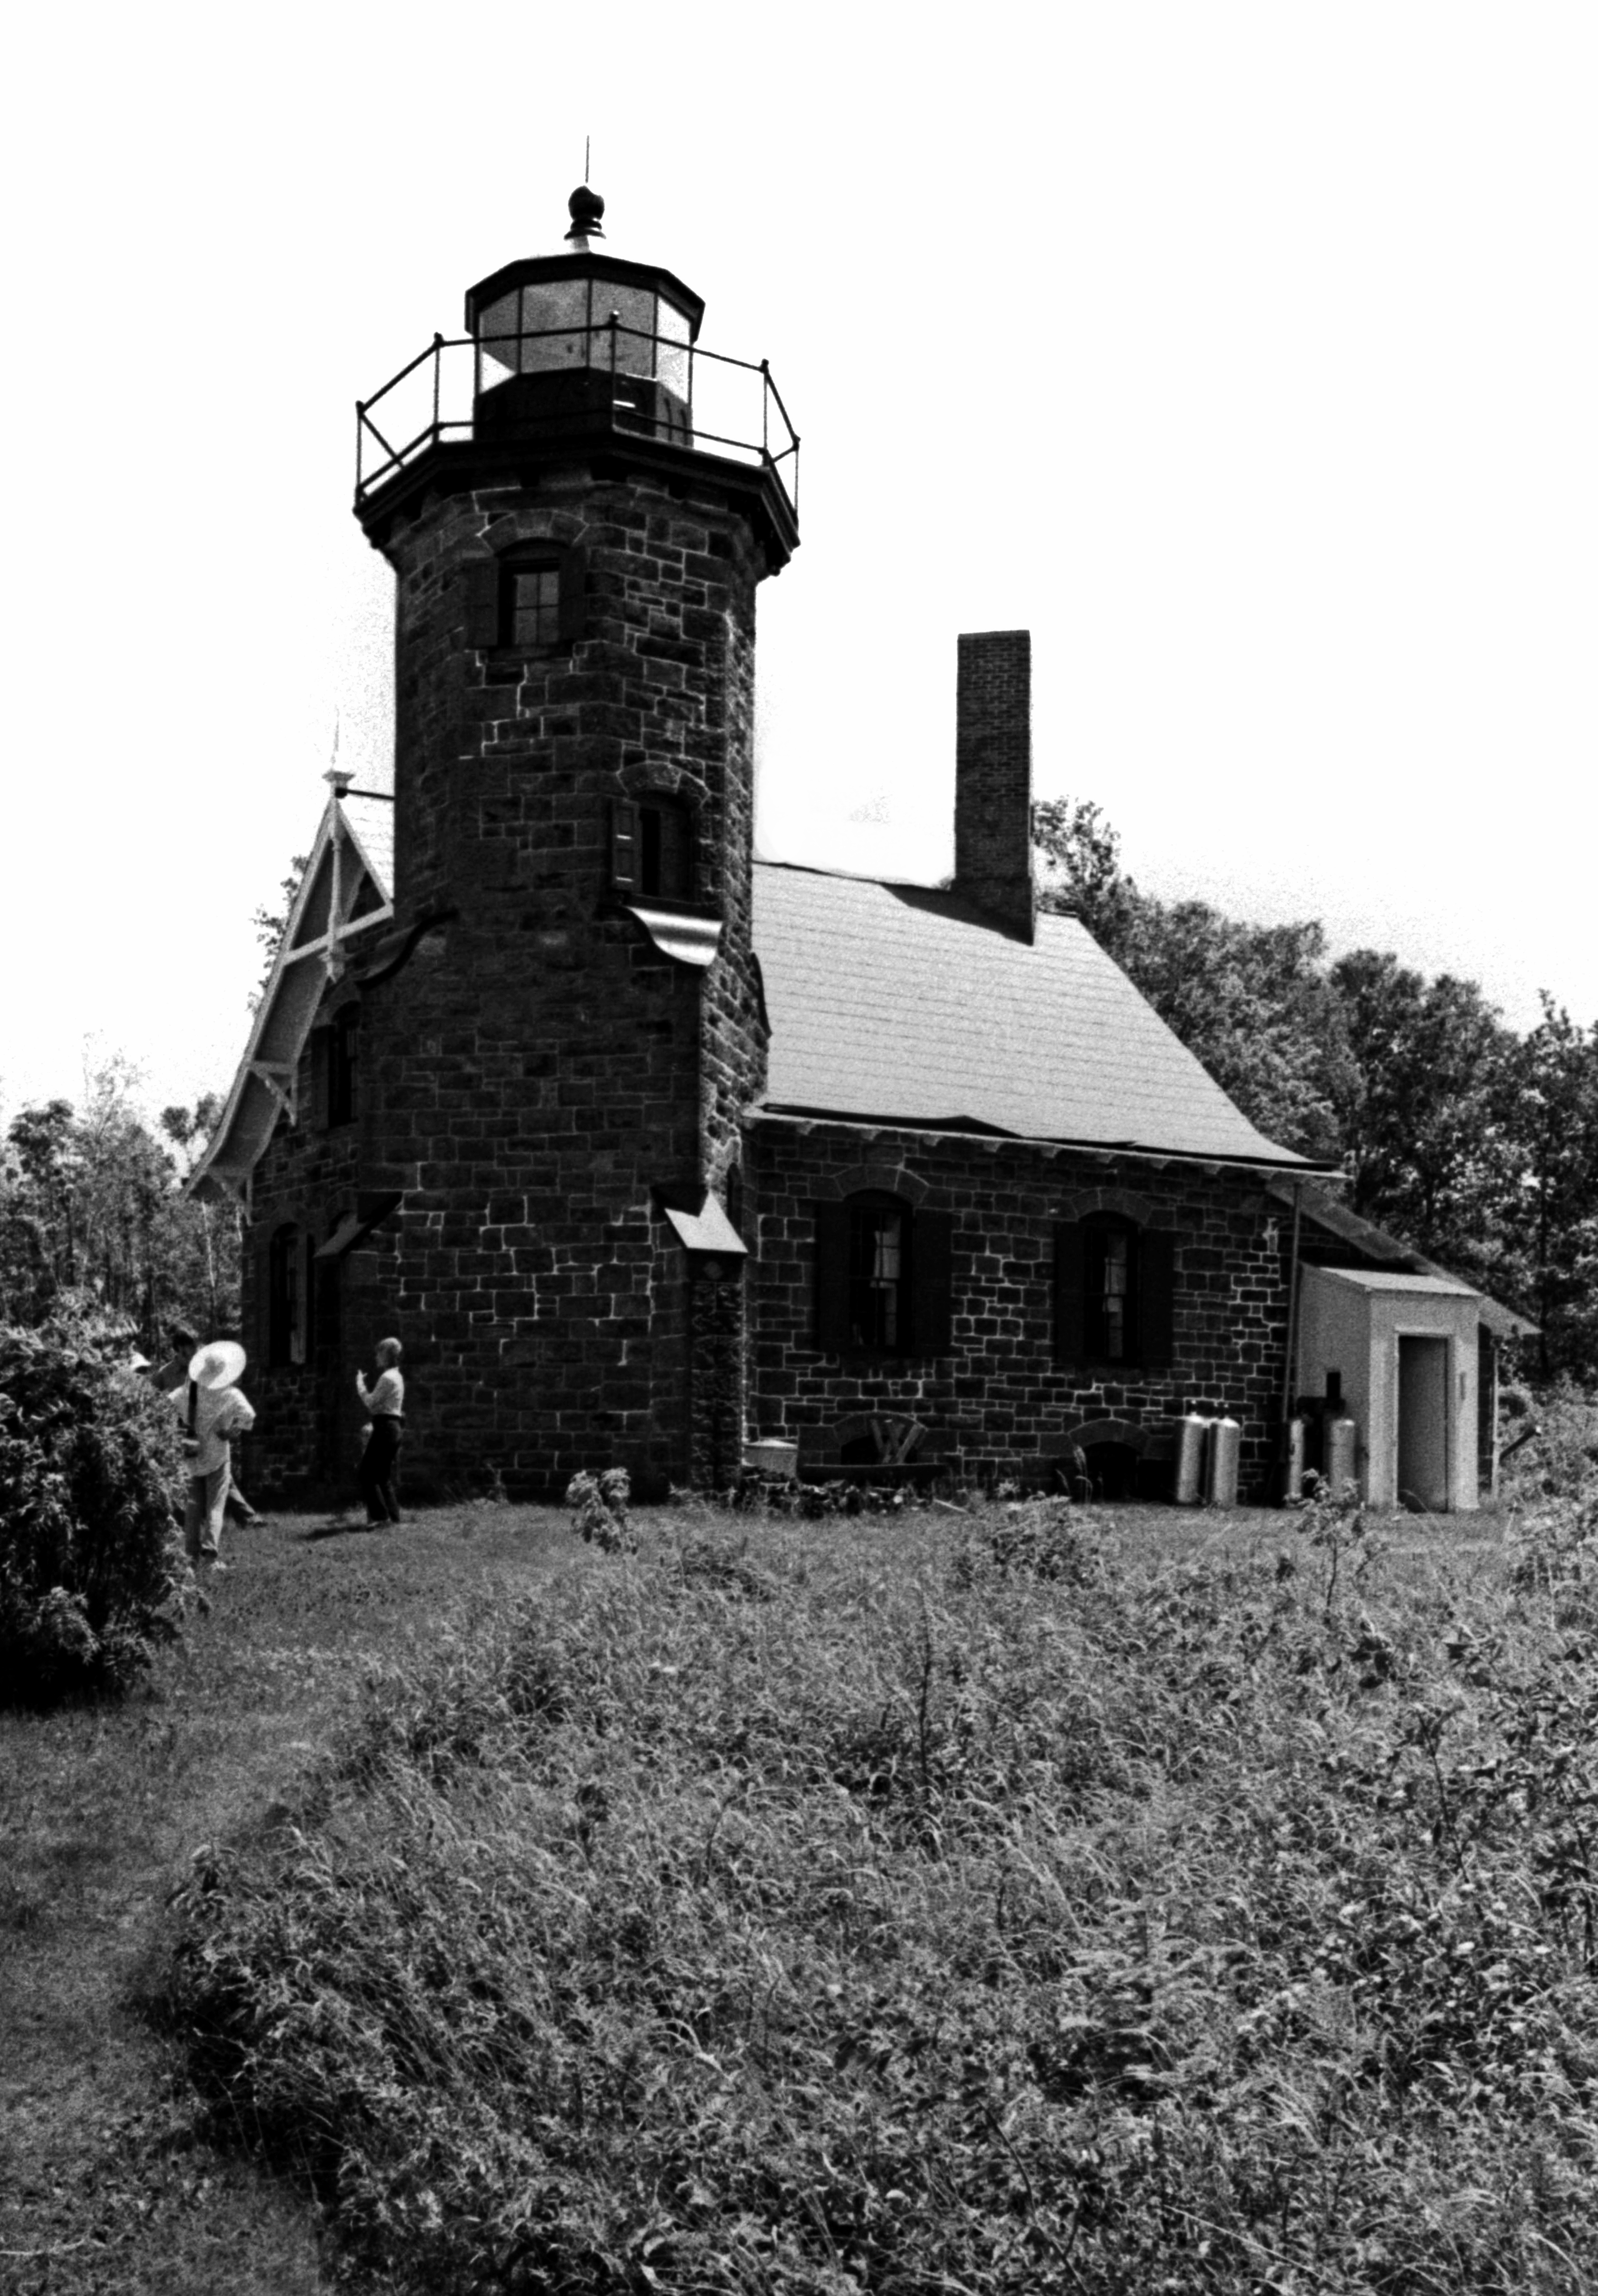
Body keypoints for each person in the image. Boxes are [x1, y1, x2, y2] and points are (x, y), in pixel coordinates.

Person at [151, 1323, 264, 1523]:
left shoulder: (202, 1368)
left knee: (221, 1473)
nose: (193, 1352)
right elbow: (154, 1402)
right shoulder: (165, 1374)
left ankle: (248, 1518)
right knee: (183, 1475)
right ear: (177, 1350)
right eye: (187, 1349)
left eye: (194, 1348)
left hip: (207, 1427)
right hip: (181, 1432)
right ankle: (180, 1520)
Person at [176, 1341, 256, 1573]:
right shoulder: (230, 1394)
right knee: (215, 1507)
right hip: (218, 1456)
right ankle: (210, 1555)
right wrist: (232, 1431)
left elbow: (165, 1404)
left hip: (191, 1455)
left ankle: (190, 1559)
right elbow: (249, 1416)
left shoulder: (188, 1391)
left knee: (192, 1507)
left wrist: (178, 1428)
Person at [356, 1336, 405, 1526]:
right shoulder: (397, 1376)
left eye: (379, 1353)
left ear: (386, 1355)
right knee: (382, 1476)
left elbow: (371, 1403)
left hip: (385, 1428)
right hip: (393, 1427)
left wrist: (360, 1384)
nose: (377, 1356)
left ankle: (381, 1518)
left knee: (366, 1473)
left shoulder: (388, 1377)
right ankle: (394, 1518)